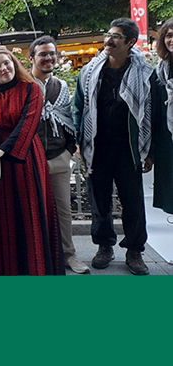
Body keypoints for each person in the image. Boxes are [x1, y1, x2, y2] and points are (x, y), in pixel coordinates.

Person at [74, 18, 153, 275]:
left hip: (129, 147)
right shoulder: (89, 72)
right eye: (108, 34)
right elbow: (79, 107)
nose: (109, 40)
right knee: (99, 200)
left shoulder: (145, 74)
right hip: (97, 146)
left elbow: (153, 116)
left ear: (130, 42)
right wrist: (78, 139)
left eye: (116, 36)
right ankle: (104, 246)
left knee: (133, 201)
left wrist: (150, 152)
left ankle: (134, 250)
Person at [0, 48, 63, 275]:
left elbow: (29, 121)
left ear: (14, 64)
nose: (3, 68)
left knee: (31, 214)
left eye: (6, 63)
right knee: (6, 217)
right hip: (1, 164)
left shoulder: (31, 89)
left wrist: (3, 150)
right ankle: (10, 271)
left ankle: (37, 270)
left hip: (26, 158)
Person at [28, 36, 90, 275]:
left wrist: (67, 151)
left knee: (64, 209)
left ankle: (69, 254)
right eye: (43, 54)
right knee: (34, 209)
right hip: (31, 161)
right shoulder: (24, 86)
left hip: (57, 158)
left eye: (52, 54)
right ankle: (40, 255)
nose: (49, 58)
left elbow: (69, 120)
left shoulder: (61, 87)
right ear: (32, 58)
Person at [151, 17, 173, 215]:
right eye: (169, 35)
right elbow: (155, 113)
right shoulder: (158, 73)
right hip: (168, 143)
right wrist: (151, 152)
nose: (172, 40)